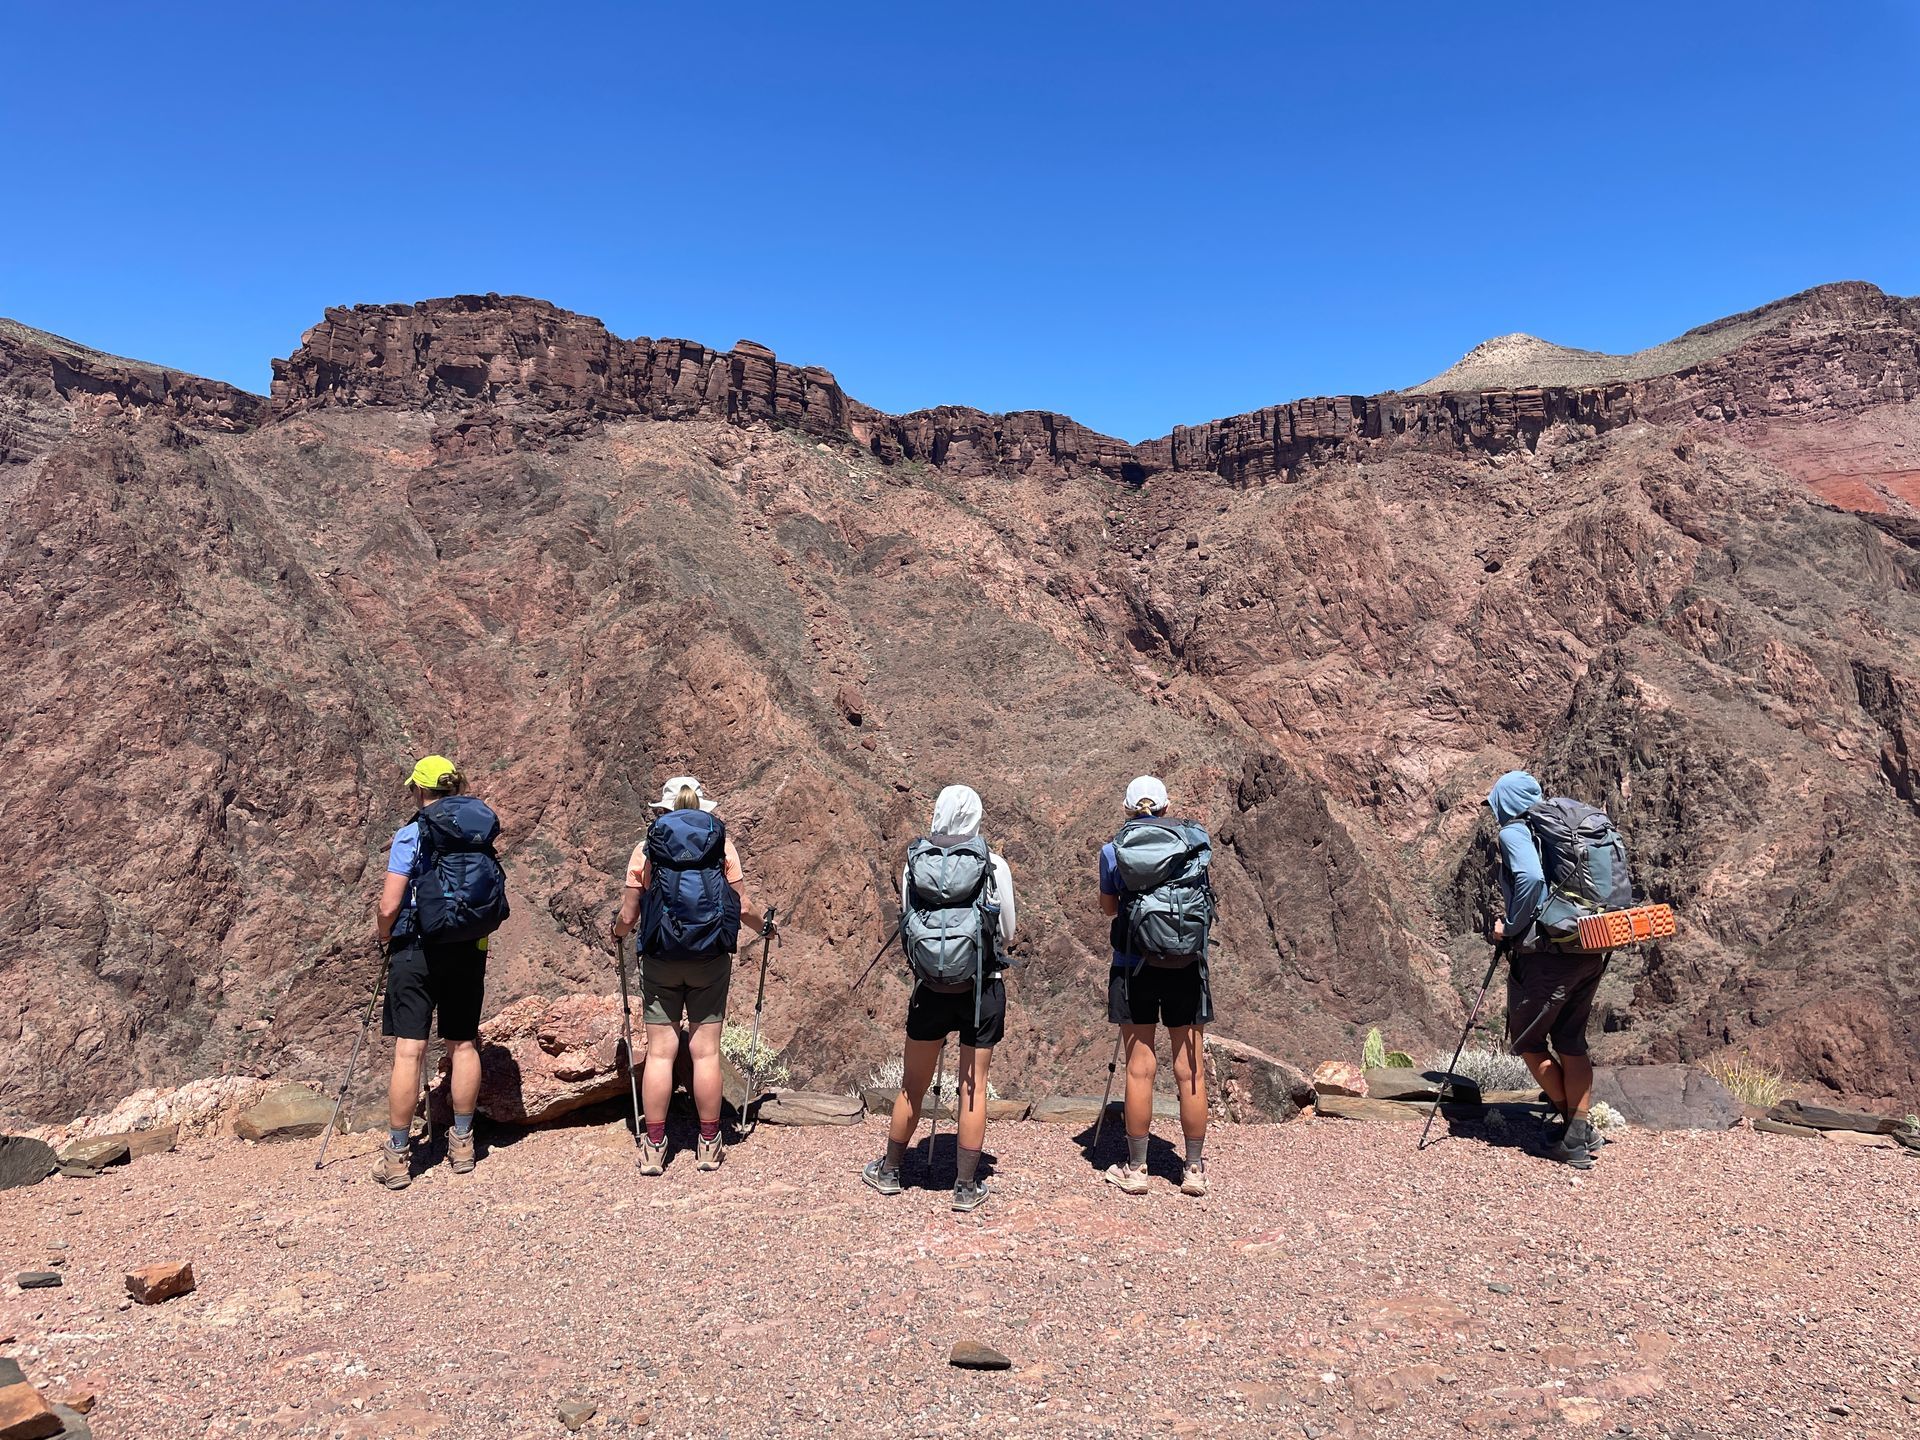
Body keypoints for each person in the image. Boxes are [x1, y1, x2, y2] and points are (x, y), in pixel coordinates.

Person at [861, 785, 1017, 1213]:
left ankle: (891, 1171)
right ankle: (965, 1187)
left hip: (929, 989)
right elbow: (1007, 930)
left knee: (912, 1085)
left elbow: (909, 922)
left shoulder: (916, 865)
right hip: (983, 986)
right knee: (973, 1088)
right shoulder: (992, 864)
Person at [372, 756, 509, 1190]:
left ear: (420, 790)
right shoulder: (476, 833)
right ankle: (463, 1143)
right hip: (467, 949)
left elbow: (389, 905)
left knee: (410, 1051)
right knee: (463, 1043)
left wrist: (382, 935)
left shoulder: (411, 834)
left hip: (415, 949)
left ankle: (398, 1156)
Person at [612, 776, 754, 1176]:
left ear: (666, 811)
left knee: (661, 1052)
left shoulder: (646, 850)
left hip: (660, 958)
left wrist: (618, 933)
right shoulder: (721, 847)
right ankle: (708, 1143)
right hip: (710, 958)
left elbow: (628, 915)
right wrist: (766, 928)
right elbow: (742, 908)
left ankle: (654, 1146)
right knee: (705, 1052)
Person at [1099, 775, 1215, 1198]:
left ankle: (1135, 1168)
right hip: (1187, 965)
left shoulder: (1114, 850)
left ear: (1128, 810)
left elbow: (1108, 907)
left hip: (1134, 966)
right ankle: (1195, 1168)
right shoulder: (1193, 842)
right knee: (1190, 1070)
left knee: (1139, 1068)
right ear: (1166, 808)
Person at [1488, 769, 1608, 1169]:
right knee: (1571, 1041)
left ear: (1504, 803)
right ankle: (1581, 1128)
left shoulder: (1515, 832)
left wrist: (1511, 926)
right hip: (1589, 943)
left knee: (1528, 1041)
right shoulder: (1561, 831)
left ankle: (1573, 1136)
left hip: (1547, 955)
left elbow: (1529, 878)